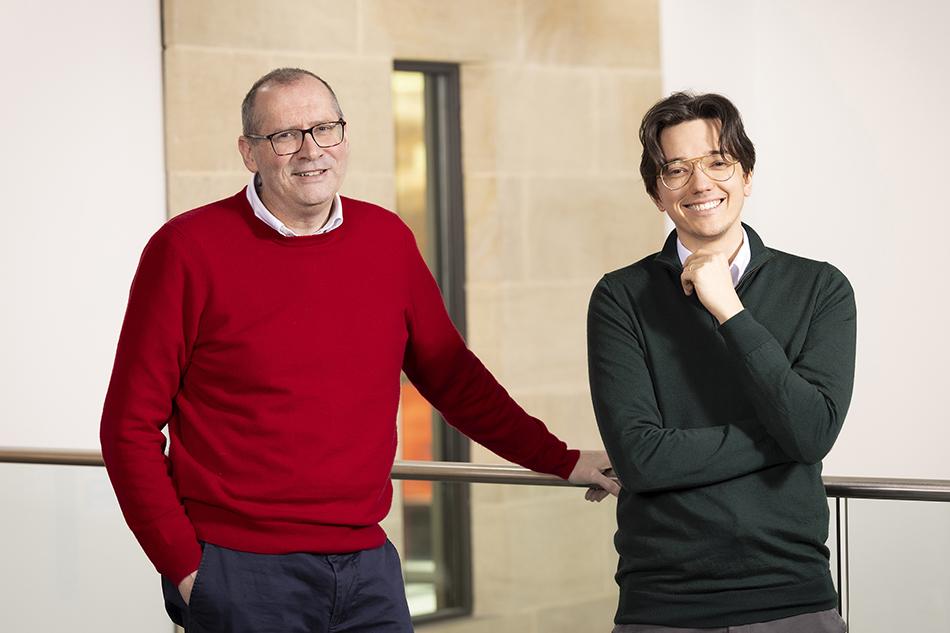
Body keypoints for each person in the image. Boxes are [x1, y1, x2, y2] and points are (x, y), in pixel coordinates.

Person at [100, 67, 619, 633]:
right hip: (240, 571)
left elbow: (456, 381)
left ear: (344, 136)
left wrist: (560, 459)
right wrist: (185, 569)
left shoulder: (387, 240)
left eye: (325, 129)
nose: (311, 150)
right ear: (249, 152)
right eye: (285, 136)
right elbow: (128, 427)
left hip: (368, 569)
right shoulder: (185, 250)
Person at [587, 92, 856, 633]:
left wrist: (729, 310)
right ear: (657, 193)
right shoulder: (620, 297)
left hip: (793, 596)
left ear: (747, 175)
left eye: (718, 162)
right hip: (662, 602)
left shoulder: (820, 288)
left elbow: (812, 433)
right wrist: (783, 437)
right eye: (676, 170)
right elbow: (642, 460)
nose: (700, 183)